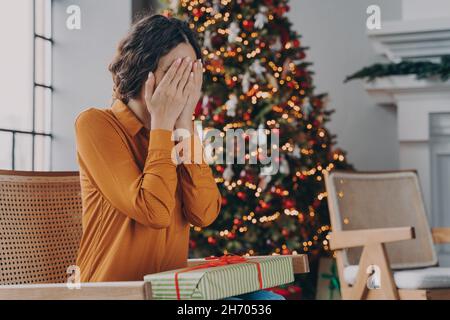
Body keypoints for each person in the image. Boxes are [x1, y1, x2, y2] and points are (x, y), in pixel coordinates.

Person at [74, 13, 283, 300]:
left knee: (267, 301)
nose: (183, 84)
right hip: (116, 294)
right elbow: (154, 212)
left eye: (191, 73)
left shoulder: (176, 132)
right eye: (175, 71)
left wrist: (185, 125)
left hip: (171, 292)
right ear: (142, 71)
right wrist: (162, 123)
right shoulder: (96, 124)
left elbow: (204, 213)